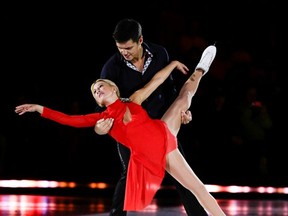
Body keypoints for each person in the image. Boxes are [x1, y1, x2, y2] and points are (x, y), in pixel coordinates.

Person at [15, 45, 226, 215]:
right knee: (196, 188)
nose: (97, 90)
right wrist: (39, 109)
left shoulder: (134, 100)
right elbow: (69, 119)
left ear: (113, 88)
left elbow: (157, 81)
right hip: (160, 153)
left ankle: (201, 68)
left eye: (99, 86)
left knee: (185, 95)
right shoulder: (103, 117)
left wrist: (173, 65)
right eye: (94, 92)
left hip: (164, 130)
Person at [94, 18, 208, 216]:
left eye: (128, 47)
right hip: (131, 130)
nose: (124, 52)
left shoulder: (159, 54)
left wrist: (182, 112)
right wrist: (102, 124)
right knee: (129, 174)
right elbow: (102, 104)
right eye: (120, 48)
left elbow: (170, 89)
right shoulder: (111, 69)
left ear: (140, 40)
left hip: (160, 125)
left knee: (183, 175)